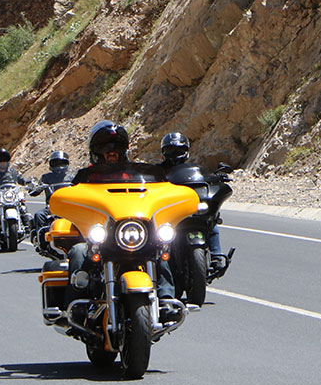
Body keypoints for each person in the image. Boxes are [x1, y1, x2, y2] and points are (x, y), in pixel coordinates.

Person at [66, 121, 179, 321]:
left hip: (132, 231)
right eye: (105, 148)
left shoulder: (136, 175)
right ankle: (77, 306)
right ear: (96, 151)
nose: (111, 152)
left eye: (116, 148)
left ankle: (167, 299)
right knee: (78, 251)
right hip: (100, 233)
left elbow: (155, 192)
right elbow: (71, 198)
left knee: (161, 249)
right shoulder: (85, 176)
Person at [159, 132, 227, 275]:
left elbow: (204, 178)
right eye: (171, 150)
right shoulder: (159, 171)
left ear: (186, 151)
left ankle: (217, 256)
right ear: (164, 152)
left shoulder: (194, 169)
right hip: (170, 214)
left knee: (211, 220)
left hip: (190, 209)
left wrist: (217, 177)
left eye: (179, 150)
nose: (175, 154)